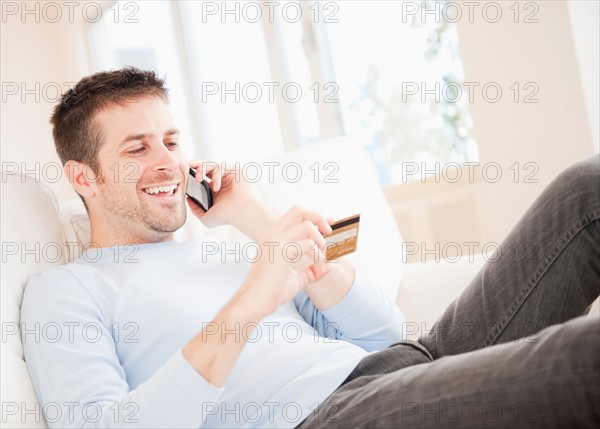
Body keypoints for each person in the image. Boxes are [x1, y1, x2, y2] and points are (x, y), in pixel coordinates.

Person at [21, 67, 599, 428]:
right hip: (325, 417)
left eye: (171, 140)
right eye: (136, 148)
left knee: (586, 191)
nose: (167, 160)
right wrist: (249, 302)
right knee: (584, 358)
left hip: (404, 366)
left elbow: (386, 335)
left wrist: (255, 218)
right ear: (83, 179)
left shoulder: (230, 246)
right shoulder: (67, 291)